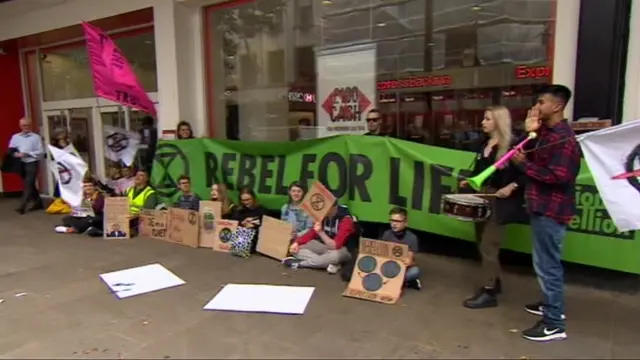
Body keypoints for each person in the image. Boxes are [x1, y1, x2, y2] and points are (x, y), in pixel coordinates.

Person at [511, 84, 580, 342]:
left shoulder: (564, 140)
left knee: (548, 267)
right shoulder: (545, 134)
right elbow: (516, 153)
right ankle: (549, 305)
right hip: (541, 207)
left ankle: (554, 323)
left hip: (552, 211)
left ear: (557, 106)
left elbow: (559, 177)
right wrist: (529, 133)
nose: (536, 107)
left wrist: (524, 165)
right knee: (544, 264)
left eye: (541, 102)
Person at [459, 105, 526, 309]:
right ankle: (494, 283)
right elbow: (481, 173)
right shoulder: (484, 144)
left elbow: (526, 173)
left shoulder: (513, 147)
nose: (483, 122)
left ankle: (489, 293)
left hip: (500, 200)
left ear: (498, 121)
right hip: (483, 196)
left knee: (489, 245)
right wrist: (469, 182)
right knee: (481, 241)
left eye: (488, 119)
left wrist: (511, 186)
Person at [282, 201, 357, 274]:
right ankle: (330, 263)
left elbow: (334, 246)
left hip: (343, 251)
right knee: (297, 247)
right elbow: (312, 232)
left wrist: (320, 232)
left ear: (334, 207)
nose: (325, 211)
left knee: (334, 256)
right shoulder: (324, 215)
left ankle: (301, 263)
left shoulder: (346, 220)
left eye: (328, 208)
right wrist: (297, 242)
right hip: (325, 248)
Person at [8, 117, 44, 214]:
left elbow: (41, 152)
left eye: (28, 125)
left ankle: (22, 206)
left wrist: (27, 153)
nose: (26, 127)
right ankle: (39, 202)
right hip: (20, 163)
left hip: (32, 162)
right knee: (30, 184)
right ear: (20, 126)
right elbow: (11, 150)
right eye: (24, 125)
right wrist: (16, 154)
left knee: (28, 184)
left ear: (30, 125)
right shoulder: (15, 137)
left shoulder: (36, 137)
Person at [381, 207, 422, 290]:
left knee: (415, 271)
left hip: (403, 269)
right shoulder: (386, 234)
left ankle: (396, 281)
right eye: (392, 220)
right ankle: (403, 283)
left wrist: (407, 262)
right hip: (388, 266)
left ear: (405, 223)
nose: (394, 224)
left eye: (397, 221)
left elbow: (410, 261)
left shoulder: (412, 238)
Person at [230, 188, 265, 255]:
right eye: (243, 200)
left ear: (253, 198)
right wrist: (242, 223)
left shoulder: (260, 210)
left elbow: (265, 225)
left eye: (248, 200)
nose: (246, 202)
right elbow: (232, 224)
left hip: (256, 236)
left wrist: (254, 225)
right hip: (241, 237)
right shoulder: (238, 210)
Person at [125, 169, 159, 234]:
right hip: (127, 216)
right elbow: (121, 205)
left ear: (146, 179)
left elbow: (148, 210)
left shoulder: (150, 192)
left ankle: (132, 230)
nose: (137, 177)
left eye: (141, 175)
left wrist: (134, 216)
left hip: (139, 218)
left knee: (140, 221)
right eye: (136, 175)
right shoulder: (128, 190)